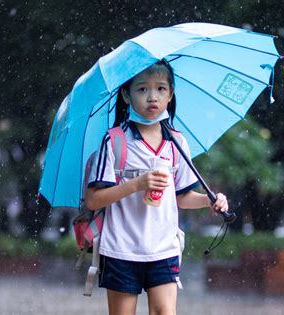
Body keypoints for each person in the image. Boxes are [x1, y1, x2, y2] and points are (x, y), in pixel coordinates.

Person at [84, 60, 229, 315]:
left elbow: (182, 197)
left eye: (161, 89)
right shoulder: (115, 140)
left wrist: (210, 200)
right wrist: (137, 184)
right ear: (126, 95)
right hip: (121, 249)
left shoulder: (177, 143)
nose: (153, 97)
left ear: (171, 94)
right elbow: (93, 200)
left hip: (164, 248)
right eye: (142, 90)